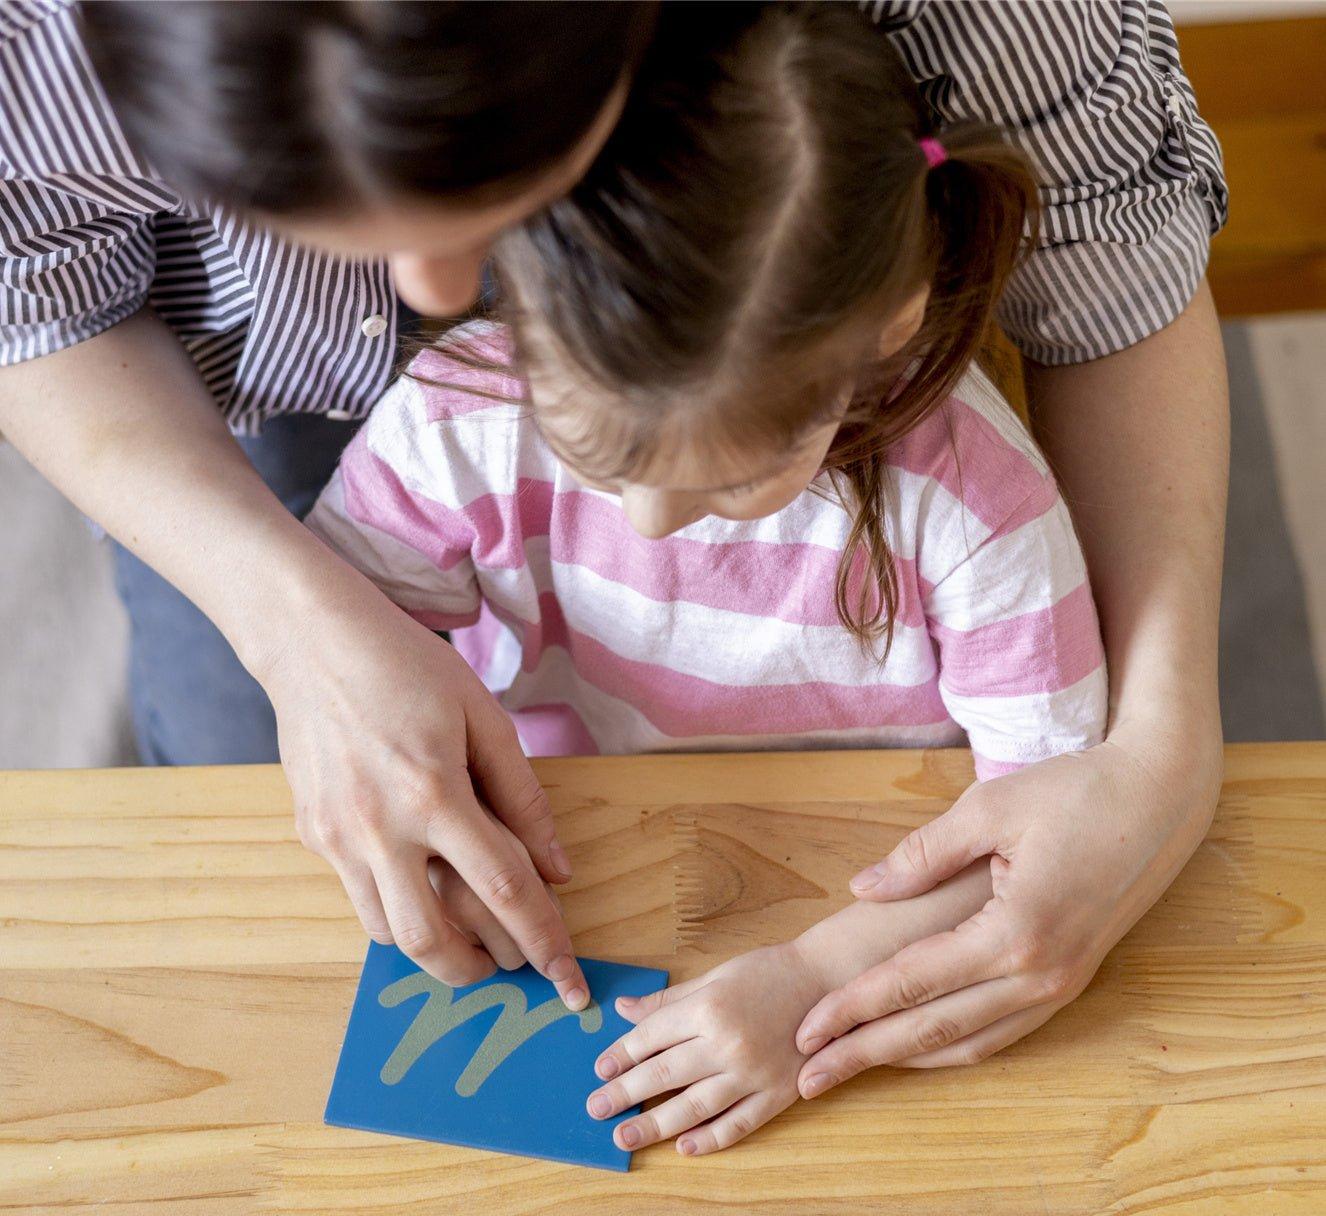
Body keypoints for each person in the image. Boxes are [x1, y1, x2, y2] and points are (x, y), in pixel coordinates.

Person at [0, 2, 1229, 1081]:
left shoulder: (966, 513)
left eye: (490, 178)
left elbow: (1118, 278)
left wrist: (1166, 746)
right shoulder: (463, 420)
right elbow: (32, 297)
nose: (438, 292)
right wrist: (290, 630)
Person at [301, 3, 1109, 1151]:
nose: (650, 521)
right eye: (598, 454)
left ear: (889, 327)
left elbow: (1049, 823)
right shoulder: (452, 420)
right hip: (581, 869)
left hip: (864, 906)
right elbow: (345, 669)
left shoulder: (981, 512)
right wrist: (419, 816)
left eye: (733, 480)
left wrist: (814, 981)